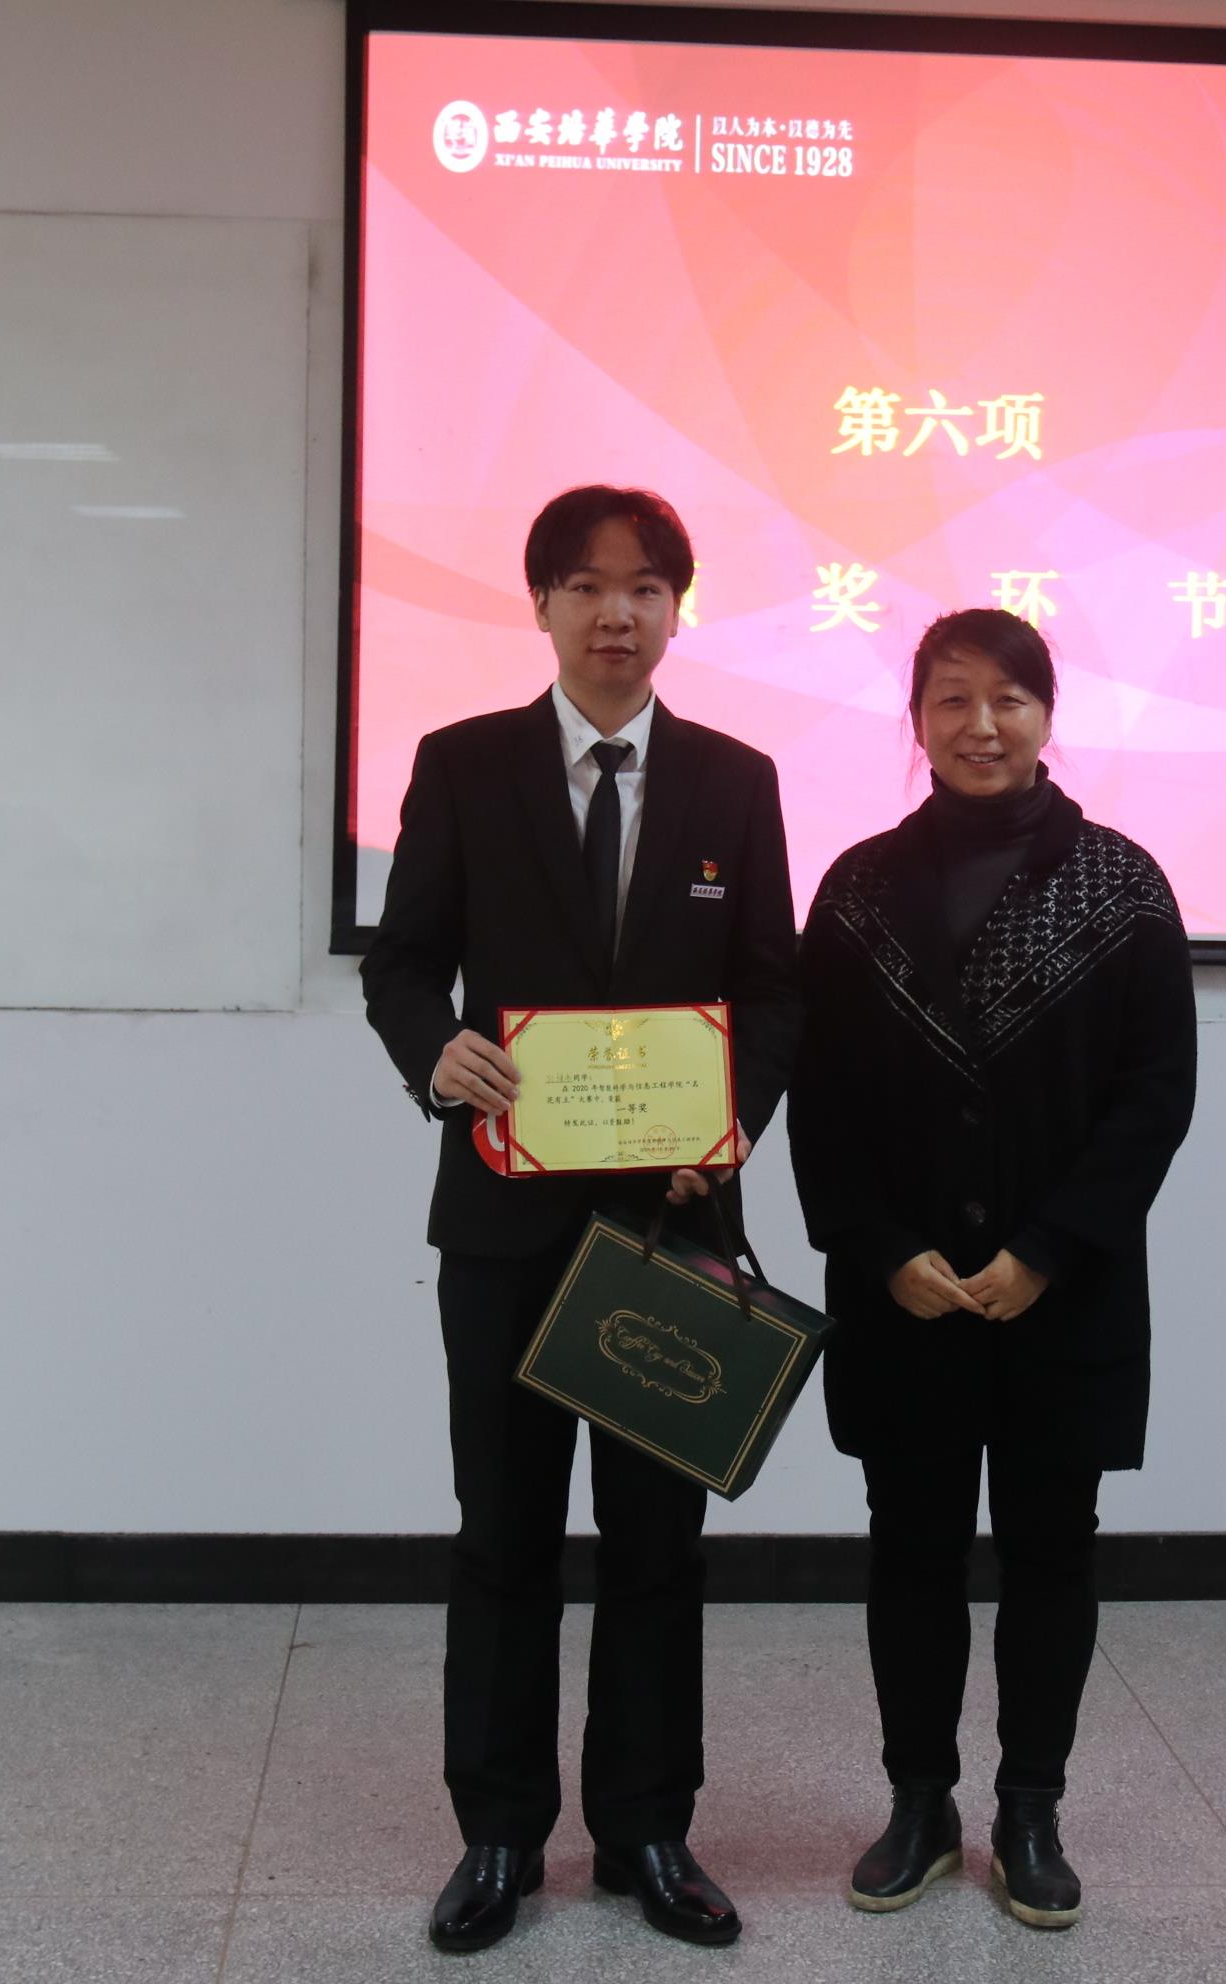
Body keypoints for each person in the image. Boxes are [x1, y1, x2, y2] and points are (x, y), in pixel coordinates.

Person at [361, 485, 798, 1954]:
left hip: (672, 1222)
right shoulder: (463, 764)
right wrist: (436, 1053)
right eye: (590, 586)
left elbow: (773, 986)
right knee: (504, 1535)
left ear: (679, 609)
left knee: (659, 1543)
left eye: (648, 588)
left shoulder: (735, 780)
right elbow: (403, 961)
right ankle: (498, 1835)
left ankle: (646, 1830)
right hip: (504, 1221)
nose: (620, 614)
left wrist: (732, 1117)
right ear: (542, 602)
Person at [787, 607, 1198, 1931]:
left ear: (1046, 716)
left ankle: (1031, 1809)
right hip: (901, 1299)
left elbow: (1155, 1096)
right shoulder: (856, 891)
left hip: (1061, 1299)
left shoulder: (1123, 886)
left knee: (1049, 1553)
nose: (981, 725)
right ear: (915, 721)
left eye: (1009, 699)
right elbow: (820, 1098)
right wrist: (880, 1247)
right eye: (953, 699)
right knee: (909, 1551)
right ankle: (920, 1803)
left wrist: (1047, 1249)